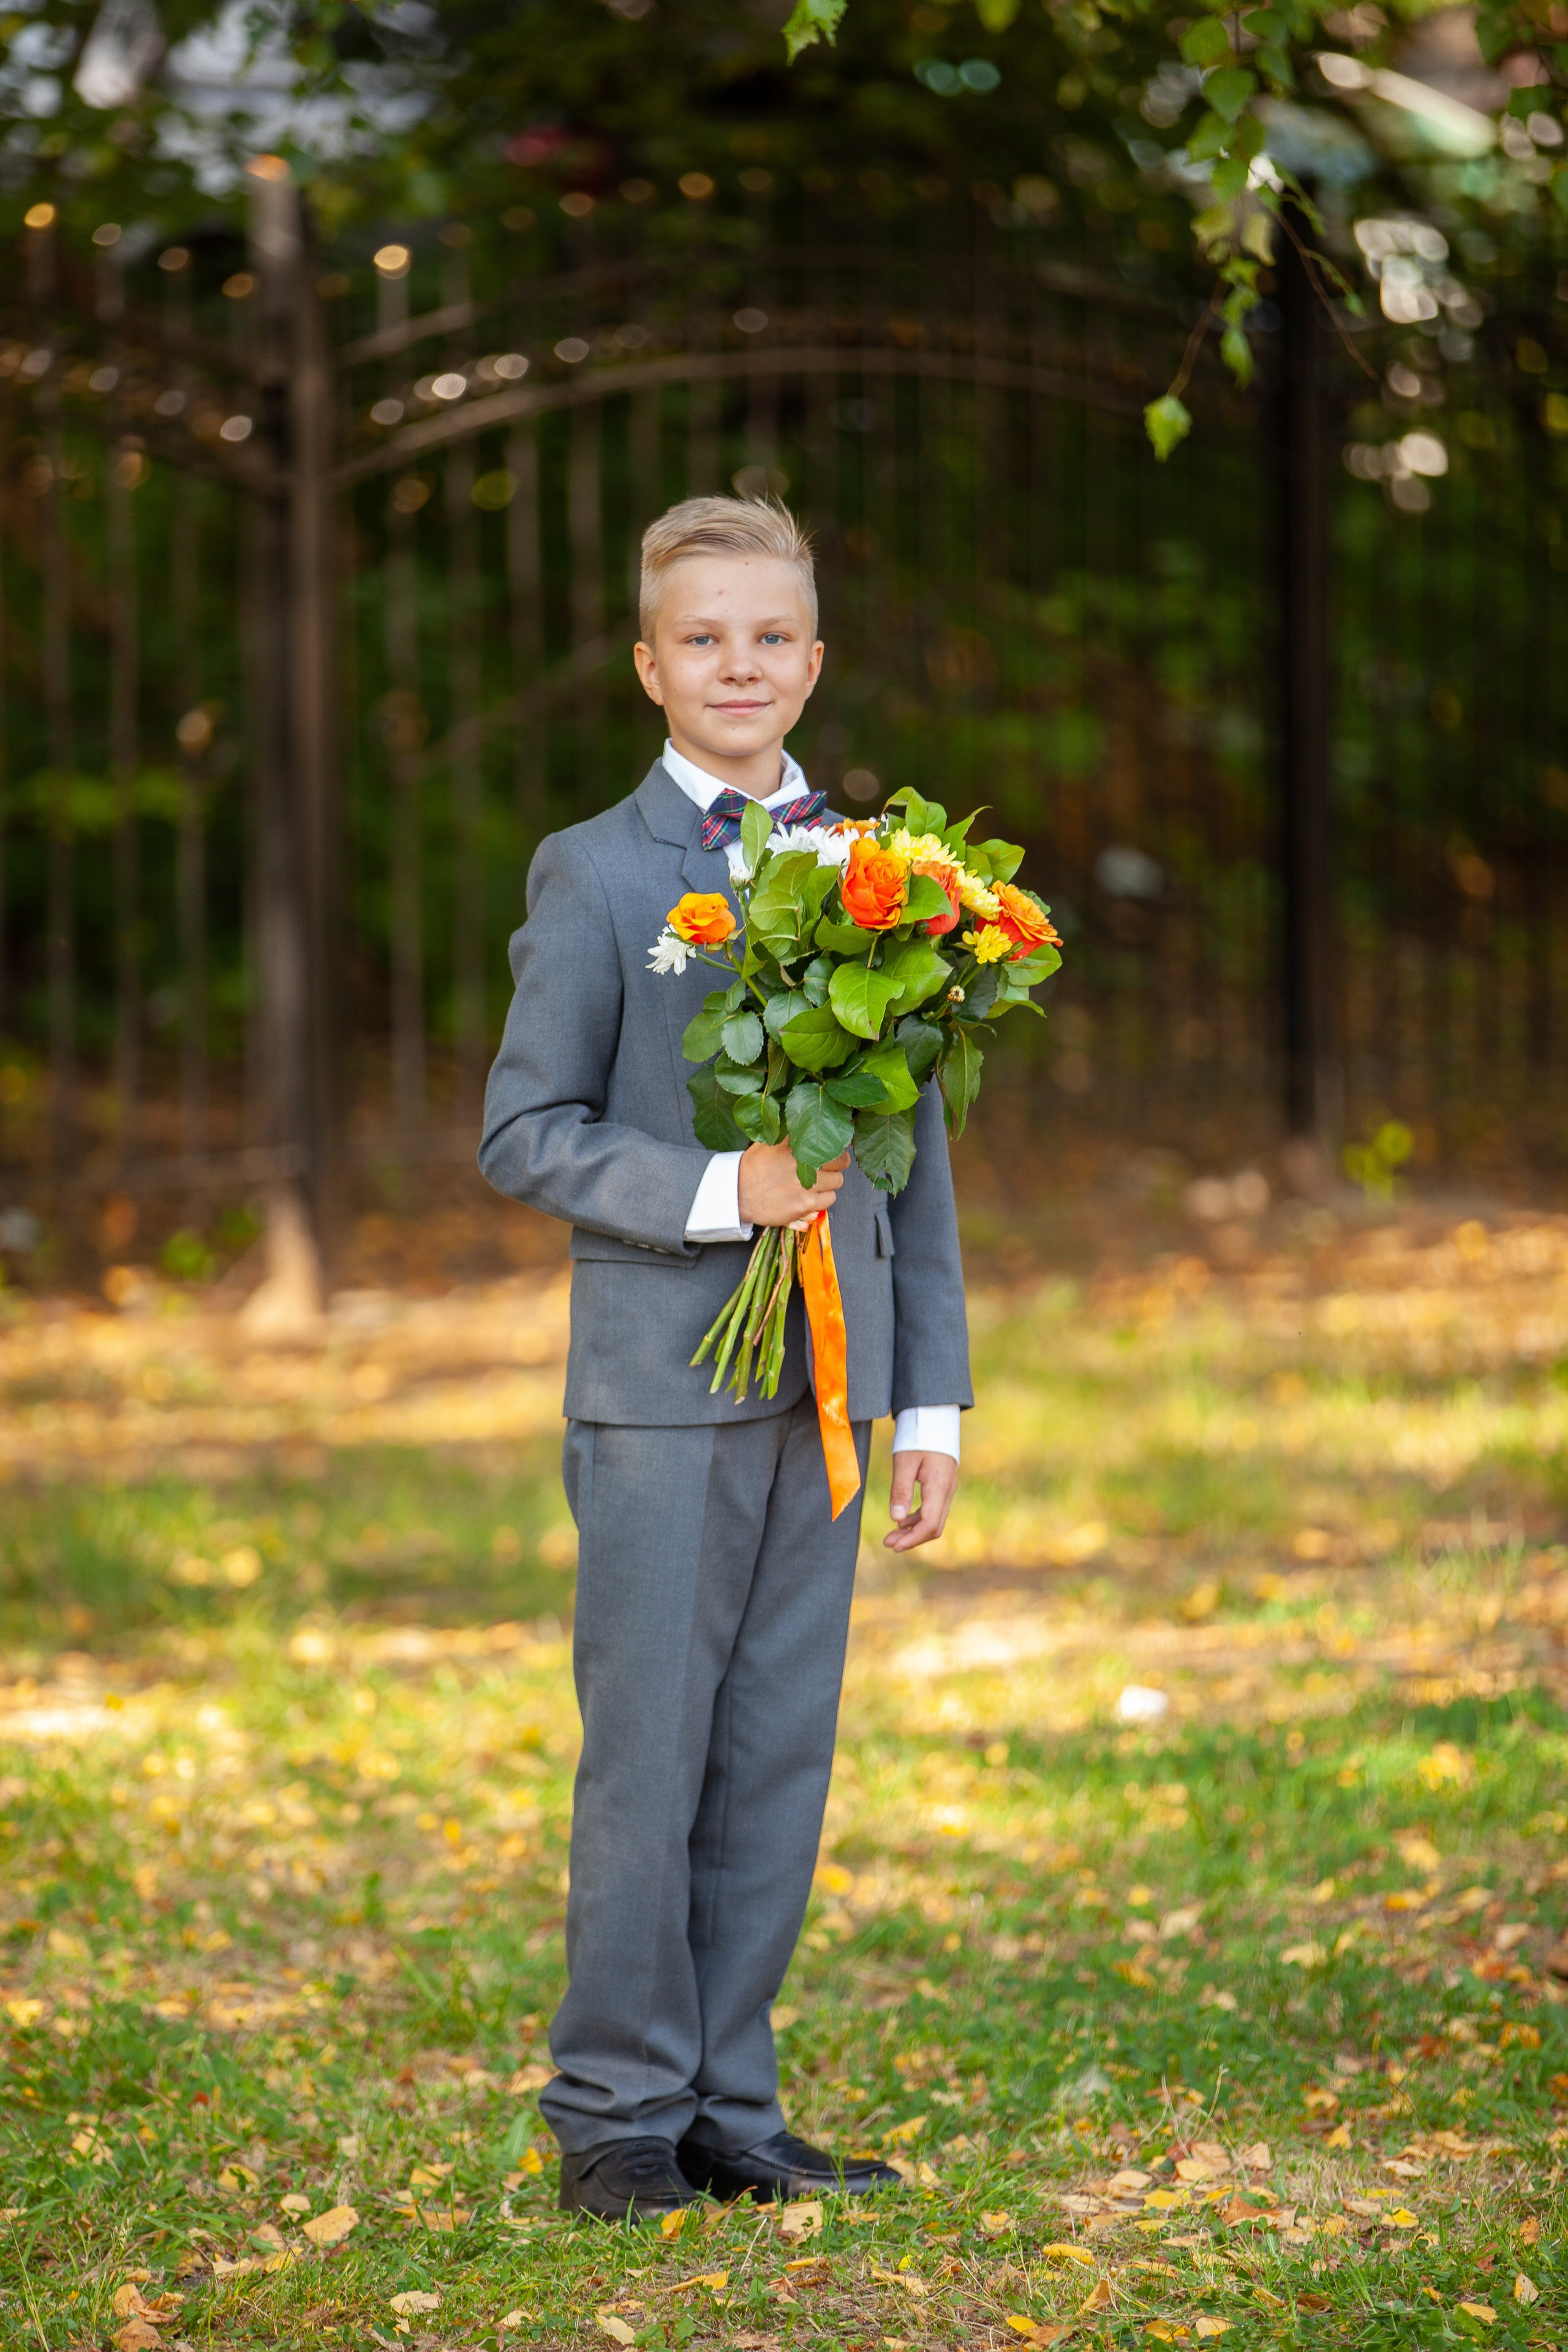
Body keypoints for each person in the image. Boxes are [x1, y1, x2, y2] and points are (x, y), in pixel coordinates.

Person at [478, 495, 972, 2223]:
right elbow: (522, 1130)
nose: (739, 664)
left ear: (814, 660)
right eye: (703, 637)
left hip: (829, 1390)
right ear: (647, 667)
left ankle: (729, 2107)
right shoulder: (600, 871)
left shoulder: (880, 874)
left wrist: (932, 1394)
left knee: (776, 1746)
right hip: (661, 1392)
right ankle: (613, 2107)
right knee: (654, 1750)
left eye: (770, 636)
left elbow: (911, 1152)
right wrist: (718, 1189)